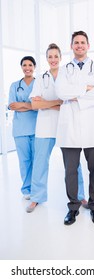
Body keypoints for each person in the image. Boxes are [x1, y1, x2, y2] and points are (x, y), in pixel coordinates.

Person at [56, 31, 94, 225]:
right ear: (71, 46)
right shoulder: (64, 69)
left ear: (88, 45)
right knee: (70, 170)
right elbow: (61, 91)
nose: (79, 45)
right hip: (70, 126)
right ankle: (73, 207)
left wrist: (75, 95)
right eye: (76, 43)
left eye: (82, 42)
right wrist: (87, 88)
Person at [26, 43, 86, 213]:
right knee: (40, 163)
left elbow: (75, 98)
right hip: (44, 127)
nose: (53, 59)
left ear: (60, 58)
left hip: (66, 125)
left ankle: (80, 195)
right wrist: (57, 102)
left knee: (73, 165)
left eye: (56, 56)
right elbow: (34, 104)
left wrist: (46, 103)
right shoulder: (41, 78)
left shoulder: (68, 76)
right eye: (50, 56)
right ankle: (36, 197)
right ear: (46, 59)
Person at [8, 56, 37, 199]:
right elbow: (12, 106)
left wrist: (22, 105)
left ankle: (37, 189)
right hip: (20, 130)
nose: (27, 68)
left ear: (34, 67)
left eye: (30, 65)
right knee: (24, 161)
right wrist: (31, 105)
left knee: (37, 160)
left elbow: (41, 107)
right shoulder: (14, 85)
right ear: (21, 67)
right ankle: (27, 190)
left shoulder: (39, 84)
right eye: (24, 65)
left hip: (38, 129)